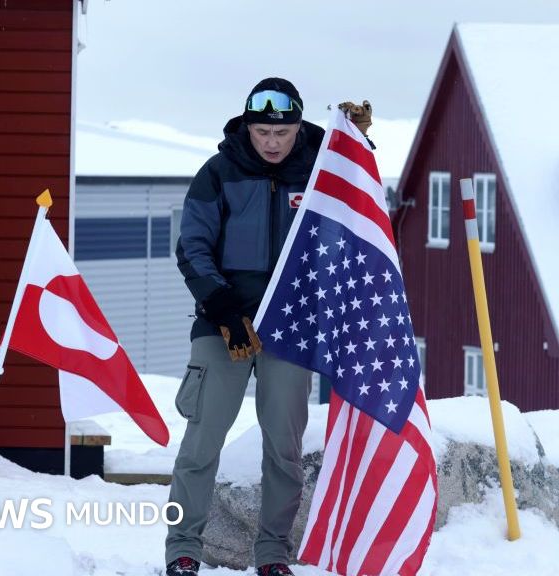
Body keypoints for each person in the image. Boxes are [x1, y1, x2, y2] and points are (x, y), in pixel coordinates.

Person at [167, 77, 372, 576]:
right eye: (262, 131)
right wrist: (223, 310)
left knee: (283, 448)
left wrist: (360, 144)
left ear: (299, 127)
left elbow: (359, 205)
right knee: (201, 444)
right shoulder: (218, 174)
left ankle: (273, 552)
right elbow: (191, 247)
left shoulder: (321, 172)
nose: (273, 142)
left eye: (283, 132)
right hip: (223, 325)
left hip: (291, 328)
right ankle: (182, 549)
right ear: (247, 127)